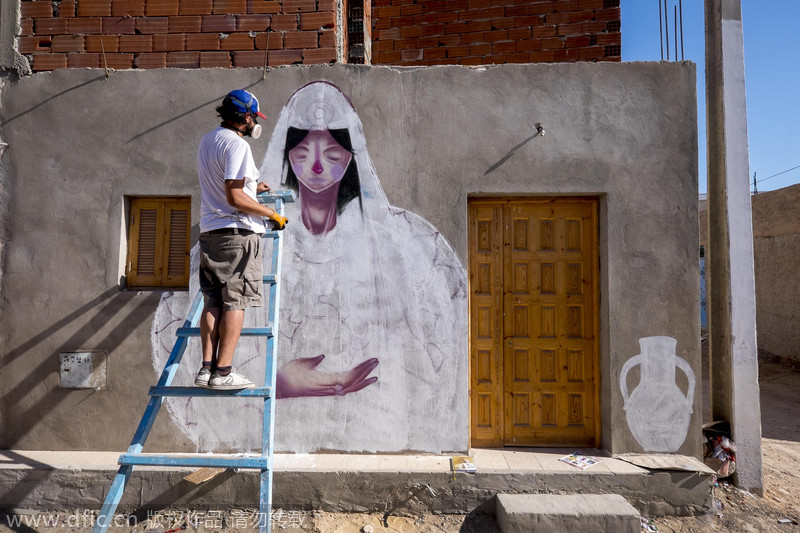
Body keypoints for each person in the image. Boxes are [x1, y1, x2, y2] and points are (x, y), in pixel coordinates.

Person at [194, 89, 288, 390]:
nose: (254, 124)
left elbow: (226, 187)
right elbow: (234, 197)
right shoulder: (237, 146)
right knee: (235, 303)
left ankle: (206, 369)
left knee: (212, 301)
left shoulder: (208, 140)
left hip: (210, 232)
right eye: (253, 118)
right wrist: (270, 214)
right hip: (236, 235)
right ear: (246, 117)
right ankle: (223, 373)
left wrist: (252, 188)